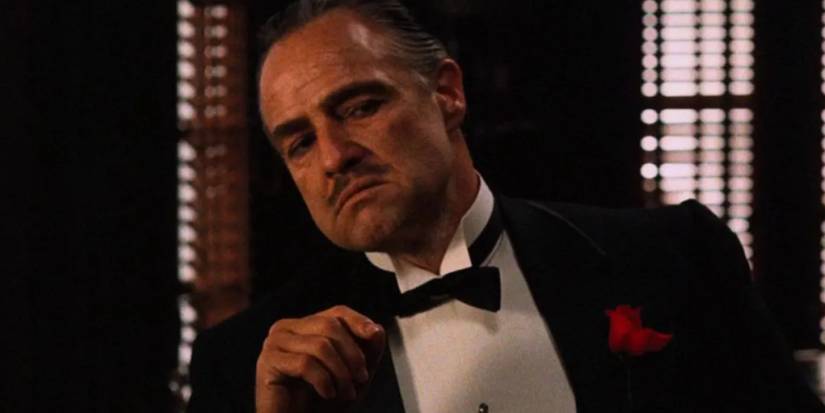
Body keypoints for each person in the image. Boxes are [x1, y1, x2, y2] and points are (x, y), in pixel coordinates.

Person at [187, 1, 825, 412]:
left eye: (359, 107)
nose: (334, 157)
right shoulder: (244, 367)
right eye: (300, 142)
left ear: (447, 94)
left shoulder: (675, 257)